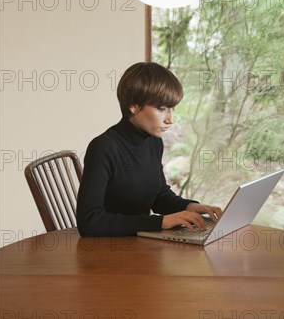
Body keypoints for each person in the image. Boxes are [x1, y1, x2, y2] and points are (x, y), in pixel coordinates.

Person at [76, 62, 222, 236]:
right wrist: (160, 222)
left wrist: (189, 206)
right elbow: (89, 222)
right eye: (162, 109)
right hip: (109, 251)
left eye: (172, 109)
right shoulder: (103, 147)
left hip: (141, 244)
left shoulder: (153, 142)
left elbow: (158, 195)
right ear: (134, 106)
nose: (170, 119)